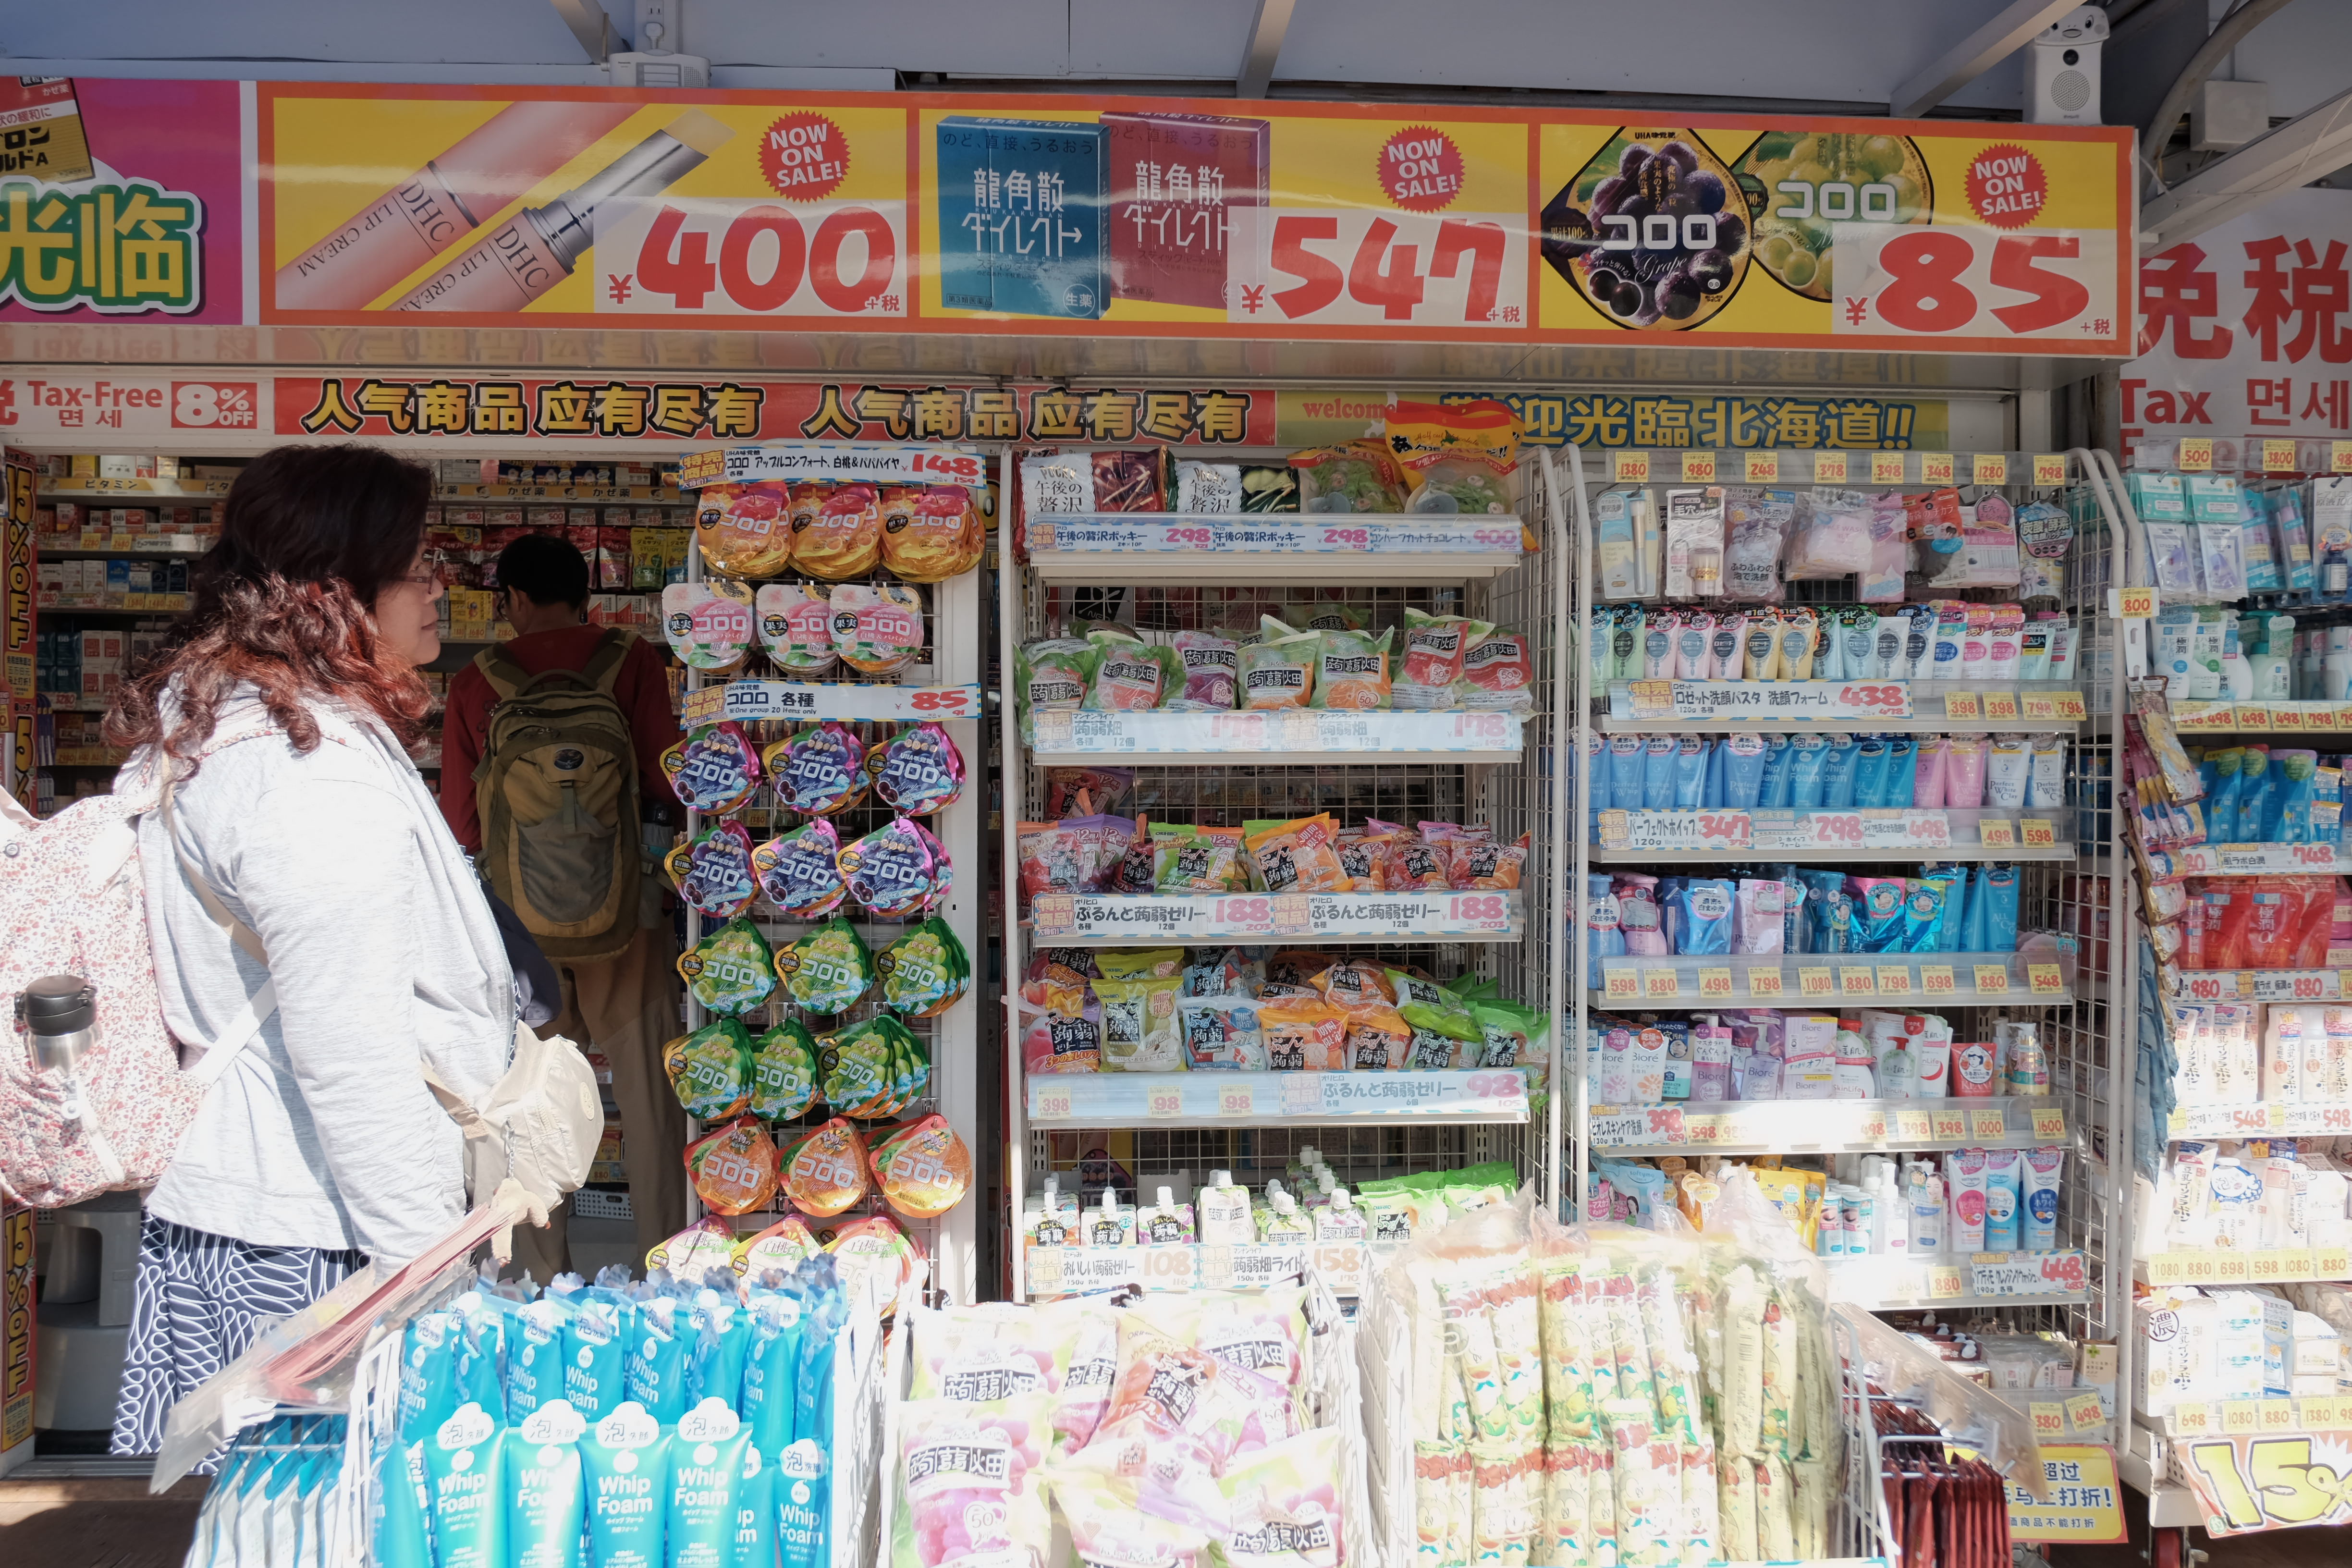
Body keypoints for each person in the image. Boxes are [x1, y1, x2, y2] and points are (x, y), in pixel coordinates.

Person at [104, 444, 521, 1460]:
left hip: (264, 1216)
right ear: (338, 592)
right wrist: (429, 1276)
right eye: (417, 568)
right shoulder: (308, 774)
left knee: (267, 1516)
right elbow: (351, 1055)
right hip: (320, 1242)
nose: (440, 588)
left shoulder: (226, 717)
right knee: (336, 1510)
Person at [439, 534, 686, 1275]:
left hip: (523, 933)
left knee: (527, 1104)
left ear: (513, 598)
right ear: (587, 594)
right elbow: (668, 780)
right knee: (649, 1097)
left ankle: (540, 1278)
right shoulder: (632, 660)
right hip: (626, 920)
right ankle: (666, 1265)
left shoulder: (476, 681)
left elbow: (461, 825)